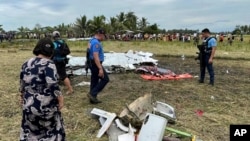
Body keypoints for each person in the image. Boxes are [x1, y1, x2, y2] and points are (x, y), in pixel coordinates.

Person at [19, 38, 65, 140]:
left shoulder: (26, 63)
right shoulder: (49, 64)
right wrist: (60, 99)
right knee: (51, 132)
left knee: (31, 133)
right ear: (52, 51)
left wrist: (22, 97)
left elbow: (22, 84)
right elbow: (53, 84)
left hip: (29, 105)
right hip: (45, 107)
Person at [87, 29, 109, 104]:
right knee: (105, 79)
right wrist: (100, 68)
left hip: (92, 63)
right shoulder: (96, 43)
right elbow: (96, 56)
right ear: (100, 34)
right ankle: (92, 94)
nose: (104, 38)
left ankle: (93, 99)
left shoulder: (91, 40)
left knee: (94, 80)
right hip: (96, 64)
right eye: (104, 36)